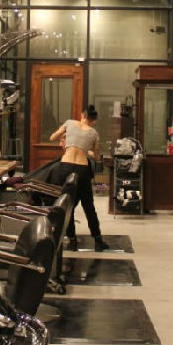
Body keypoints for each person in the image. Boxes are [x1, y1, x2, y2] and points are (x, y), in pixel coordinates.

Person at [49, 105, 109, 252]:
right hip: (82, 170)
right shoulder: (94, 133)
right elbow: (96, 156)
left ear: (82, 115)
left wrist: (66, 136)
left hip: (65, 168)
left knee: (67, 204)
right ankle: (98, 240)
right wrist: (89, 152)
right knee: (89, 206)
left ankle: (72, 240)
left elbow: (52, 137)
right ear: (94, 121)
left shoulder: (69, 123)